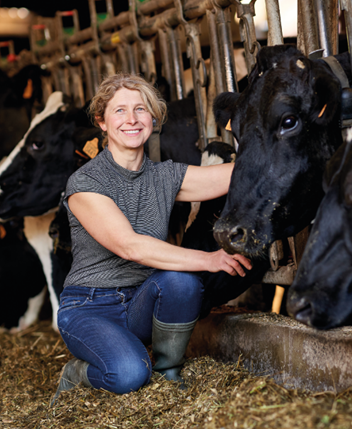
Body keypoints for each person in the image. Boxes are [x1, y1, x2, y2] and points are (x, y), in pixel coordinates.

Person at [50, 73, 251, 406]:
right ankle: (78, 373)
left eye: (141, 109)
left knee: (181, 281)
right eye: (119, 111)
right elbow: (130, 246)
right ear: (102, 122)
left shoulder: (165, 175)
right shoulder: (85, 182)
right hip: (89, 307)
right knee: (128, 375)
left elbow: (236, 175)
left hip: (140, 301)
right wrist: (210, 259)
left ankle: (169, 374)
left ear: (153, 118)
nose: (131, 119)